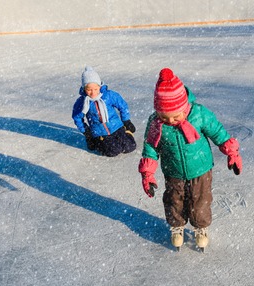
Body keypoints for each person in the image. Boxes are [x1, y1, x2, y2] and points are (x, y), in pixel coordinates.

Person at [138, 68, 242, 251]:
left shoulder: (199, 114)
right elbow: (151, 148)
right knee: (174, 199)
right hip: (173, 171)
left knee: (200, 200)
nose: (170, 120)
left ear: (184, 106)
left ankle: (200, 227)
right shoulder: (156, 122)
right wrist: (147, 173)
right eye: (165, 116)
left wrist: (232, 152)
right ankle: (176, 226)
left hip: (200, 169)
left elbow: (218, 132)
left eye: (175, 116)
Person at [72, 66, 136, 157]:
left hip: (117, 126)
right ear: (84, 89)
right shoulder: (82, 102)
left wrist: (126, 120)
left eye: (95, 89)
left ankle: (126, 133)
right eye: (89, 90)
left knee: (129, 147)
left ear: (99, 86)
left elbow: (122, 105)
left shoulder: (108, 95)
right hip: (99, 132)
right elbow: (77, 117)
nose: (93, 93)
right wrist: (86, 131)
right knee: (112, 151)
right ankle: (97, 142)